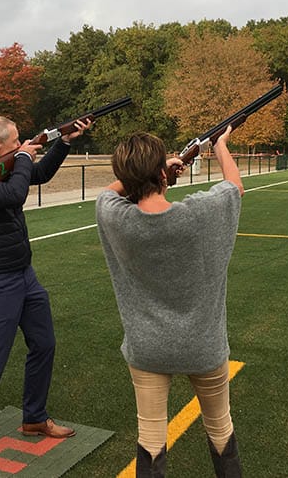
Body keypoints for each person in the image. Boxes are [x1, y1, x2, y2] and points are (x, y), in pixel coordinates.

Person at [0, 115, 91, 478]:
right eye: (15, 142)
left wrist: (64, 142)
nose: (20, 145)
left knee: (44, 345)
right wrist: (24, 156)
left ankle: (34, 417)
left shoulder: (5, 166)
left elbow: (39, 175)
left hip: (24, 274)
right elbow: (14, 194)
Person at [95, 128, 244, 477]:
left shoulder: (114, 215)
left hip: (147, 349)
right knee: (220, 428)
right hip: (204, 347)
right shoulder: (199, 213)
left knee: (150, 438)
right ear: (163, 174)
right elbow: (234, 187)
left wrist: (146, 175)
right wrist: (220, 145)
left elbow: (109, 192)